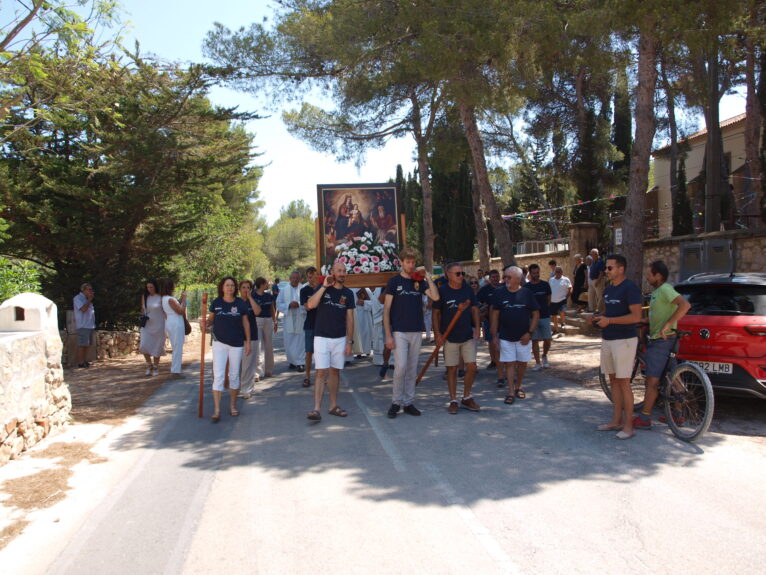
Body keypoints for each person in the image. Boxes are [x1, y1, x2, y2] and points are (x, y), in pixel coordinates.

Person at [633, 260, 691, 430]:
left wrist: (669, 324)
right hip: (667, 340)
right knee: (674, 376)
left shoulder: (665, 289)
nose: (647, 277)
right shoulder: (657, 292)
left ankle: (644, 417)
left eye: (649, 274)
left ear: (658, 275)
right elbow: (657, 315)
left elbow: (685, 305)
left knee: (652, 379)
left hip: (661, 341)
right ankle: (678, 415)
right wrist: (642, 320)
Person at [383, 248, 439, 418]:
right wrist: (388, 335)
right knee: (400, 367)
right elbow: (386, 310)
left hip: (416, 330)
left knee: (412, 368)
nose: (411, 265)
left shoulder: (419, 282)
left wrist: (427, 277)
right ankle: (395, 402)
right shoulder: (394, 282)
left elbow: (435, 297)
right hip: (399, 330)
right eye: (408, 262)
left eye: (413, 262)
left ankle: (408, 402)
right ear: (401, 262)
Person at [593, 254, 643, 440]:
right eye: (606, 268)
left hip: (624, 341)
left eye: (609, 268)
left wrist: (610, 320)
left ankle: (629, 426)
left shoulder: (630, 288)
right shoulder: (607, 290)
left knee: (623, 382)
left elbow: (636, 317)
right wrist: (598, 317)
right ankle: (617, 420)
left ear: (621, 269)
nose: (606, 271)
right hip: (608, 339)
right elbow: (609, 312)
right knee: (613, 379)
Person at [305, 261, 355, 421]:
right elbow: (311, 304)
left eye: (344, 271)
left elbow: (350, 318)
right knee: (321, 372)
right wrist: (324, 286)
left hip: (340, 338)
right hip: (321, 337)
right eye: (339, 270)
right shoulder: (323, 288)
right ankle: (316, 409)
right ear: (332, 272)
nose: (342, 273)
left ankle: (333, 406)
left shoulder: (348, 294)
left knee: (335, 372)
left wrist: (350, 341)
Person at [432, 262, 481, 414]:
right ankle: (453, 400)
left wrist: (478, 328)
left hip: (466, 335)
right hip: (449, 337)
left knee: (472, 367)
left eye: (462, 273)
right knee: (452, 369)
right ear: (448, 275)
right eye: (458, 273)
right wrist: (437, 334)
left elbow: (474, 309)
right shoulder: (442, 291)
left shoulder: (467, 289)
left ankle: (466, 397)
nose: (461, 276)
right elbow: (436, 313)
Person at [490, 266, 539, 405]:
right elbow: (495, 315)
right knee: (509, 364)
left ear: (518, 279)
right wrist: (494, 335)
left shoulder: (527, 293)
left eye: (508, 277)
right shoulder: (499, 293)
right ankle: (511, 391)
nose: (505, 279)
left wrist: (529, 333)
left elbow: (536, 314)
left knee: (523, 363)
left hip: (524, 337)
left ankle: (519, 386)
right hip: (506, 336)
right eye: (505, 276)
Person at [206, 276, 252, 422]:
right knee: (218, 375)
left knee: (234, 375)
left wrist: (248, 342)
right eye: (227, 285)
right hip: (219, 343)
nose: (230, 288)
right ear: (222, 287)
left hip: (237, 344)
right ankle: (217, 409)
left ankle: (233, 405)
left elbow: (246, 324)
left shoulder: (240, 304)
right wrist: (205, 324)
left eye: (232, 285)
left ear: (235, 288)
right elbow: (211, 319)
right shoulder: (216, 302)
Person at [477, 269, 505, 385]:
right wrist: (482, 315)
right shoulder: (484, 290)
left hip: (503, 321)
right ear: (489, 278)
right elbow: (477, 303)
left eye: (496, 276)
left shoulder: (504, 288)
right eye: (493, 277)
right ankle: (494, 361)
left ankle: (501, 365)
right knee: (491, 343)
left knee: (502, 344)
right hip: (489, 320)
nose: (495, 278)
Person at [276, 270, 306, 371]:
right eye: (293, 278)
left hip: (300, 317)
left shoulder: (304, 289)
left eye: (297, 278)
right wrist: (288, 305)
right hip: (288, 317)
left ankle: (300, 362)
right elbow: (278, 304)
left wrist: (299, 304)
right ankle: (292, 361)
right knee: (289, 341)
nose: (295, 280)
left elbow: (308, 302)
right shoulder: (284, 290)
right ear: (290, 278)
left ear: (300, 279)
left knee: (300, 341)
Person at [525, 264, 552, 372]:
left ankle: (544, 355)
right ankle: (537, 362)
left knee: (548, 339)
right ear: (530, 274)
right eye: (534, 273)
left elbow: (549, 299)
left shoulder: (545, 285)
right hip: (532, 317)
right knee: (534, 340)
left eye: (537, 272)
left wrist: (544, 309)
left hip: (545, 315)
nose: (536, 275)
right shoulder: (526, 288)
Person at [238, 279, 261, 399]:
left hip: (252, 336)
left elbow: (257, 311)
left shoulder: (254, 301)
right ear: (239, 289)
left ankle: (247, 389)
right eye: (243, 287)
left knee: (249, 365)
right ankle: (238, 386)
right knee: (239, 365)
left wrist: (250, 298)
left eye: (248, 287)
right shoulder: (236, 302)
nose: (246, 290)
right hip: (237, 338)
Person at [160, 279, 187, 378]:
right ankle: (175, 371)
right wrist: (184, 299)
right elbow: (180, 311)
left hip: (171, 322)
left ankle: (176, 369)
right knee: (177, 347)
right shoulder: (170, 299)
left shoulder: (163, 298)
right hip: (175, 323)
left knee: (176, 346)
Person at [138, 279, 165, 376]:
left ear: (155, 287)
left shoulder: (161, 297)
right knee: (144, 345)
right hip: (147, 324)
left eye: (151, 287)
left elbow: (164, 311)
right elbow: (143, 309)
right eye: (148, 287)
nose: (149, 289)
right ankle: (149, 365)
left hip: (159, 324)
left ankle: (156, 367)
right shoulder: (145, 297)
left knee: (157, 346)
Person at [300, 267, 321, 387]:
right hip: (310, 324)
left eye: (314, 275)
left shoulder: (323, 288)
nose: (312, 278)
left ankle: (321, 376)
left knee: (321, 352)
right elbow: (307, 306)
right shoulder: (304, 290)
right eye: (309, 276)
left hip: (322, 324)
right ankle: (307, 376)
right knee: (309, 352)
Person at [253, 277, 277, 378]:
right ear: (261, 284)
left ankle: (268, 369)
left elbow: (272, 308)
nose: (267, 284)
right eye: (266, 283)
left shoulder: (268, 295)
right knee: (258, 346)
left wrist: (275, 320)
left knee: (269, 345)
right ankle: (257, 372)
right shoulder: (253, 295)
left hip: (268, 321)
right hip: (257, 321)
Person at [73, 283, 96, 368]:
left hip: (89, 325)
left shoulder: (87, 299)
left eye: (91, 289)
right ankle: (80, 362)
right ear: (83, 290)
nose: (91, 291)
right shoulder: (77, 298)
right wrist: (89, 300)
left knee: (87, 344)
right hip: (83, 325)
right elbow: (83, 309)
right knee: (82, 344)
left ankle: (85, 360)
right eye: (89, 289)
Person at [549, 266, 573, 335]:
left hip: (562, 299)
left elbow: (570, 288)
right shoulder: (551, 280)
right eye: (556, 271)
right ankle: (555, 329)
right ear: (554, 272)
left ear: (562, 272)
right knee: (554, 315)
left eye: (559, 271)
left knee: (562, 311)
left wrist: (567, 296)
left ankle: (563, 322)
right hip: (553, 300)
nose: (558, 273)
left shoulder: (566, 279)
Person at [353, 287, 373, 357]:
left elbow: (373, 303)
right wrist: (355, 303)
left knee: (365, 332)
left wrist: (364, 303)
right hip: (353, 314)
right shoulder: (348, 289)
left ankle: (366, 350)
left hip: (365, 315)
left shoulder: (366, 289)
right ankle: (358, 352)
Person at [588, 248, 605, 313]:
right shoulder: (593, 261)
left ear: (596, 254)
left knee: (600, 296)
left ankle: (600, 310)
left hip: (598, 280)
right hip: (592, 280)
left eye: (591, 254)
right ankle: (592, 309)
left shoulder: (600, 261)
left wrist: (598, 281)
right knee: (591, 295)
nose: (590, 255)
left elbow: (601, 272)